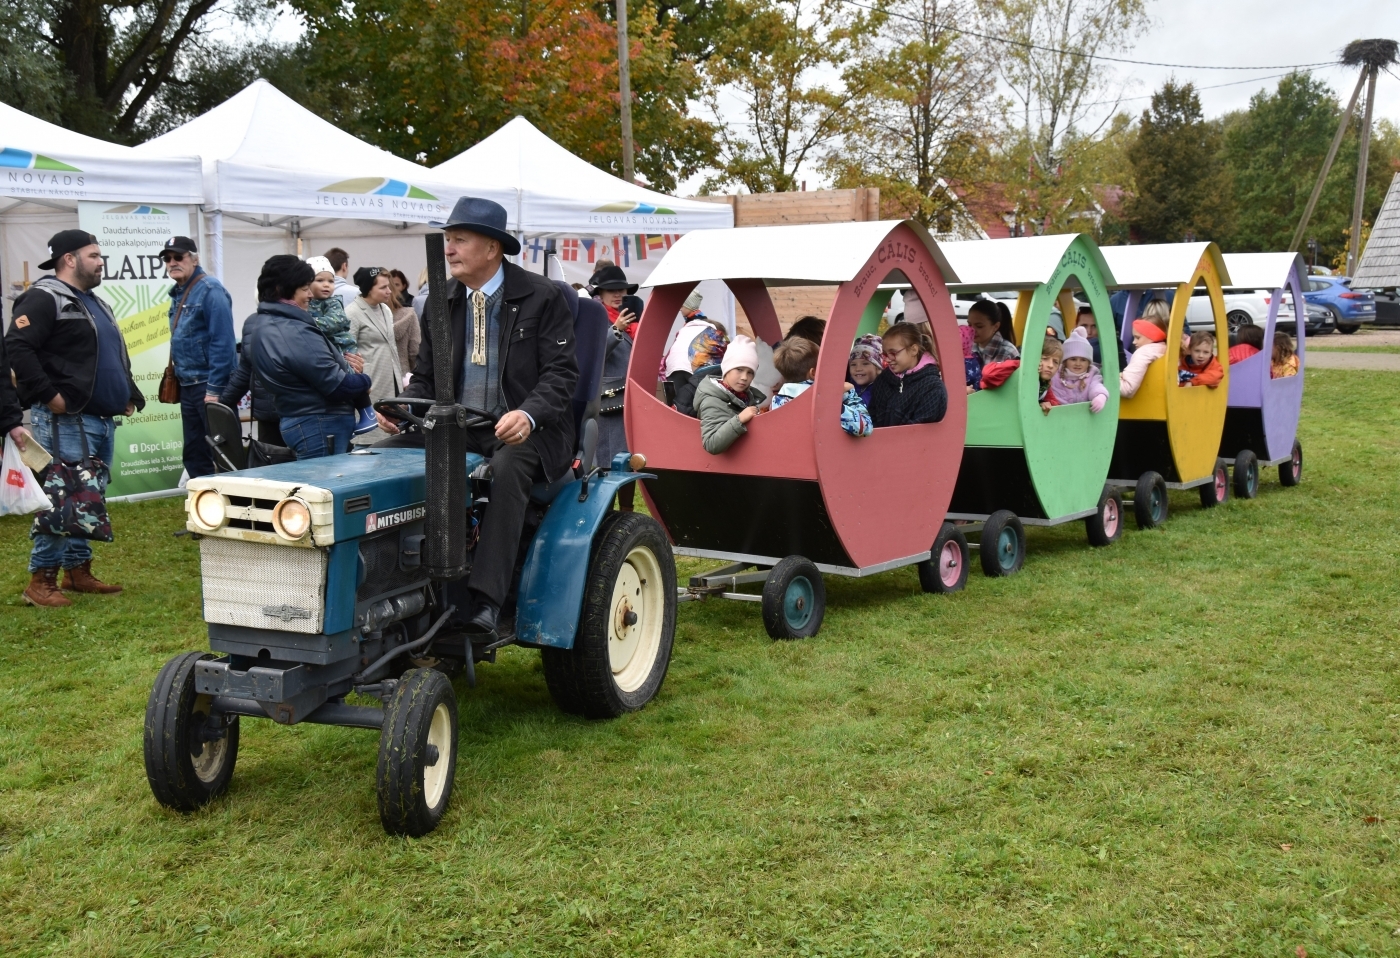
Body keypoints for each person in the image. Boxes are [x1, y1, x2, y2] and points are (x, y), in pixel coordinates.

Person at [376, 197, 578, 636]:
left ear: (492, 248)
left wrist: (527, 414)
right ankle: (393, 586)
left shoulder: (542, 297)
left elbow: (562, 376)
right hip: (458, 426)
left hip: (525, 432)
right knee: (381, 457)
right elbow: (426, 379)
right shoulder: (439, 303)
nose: (448, 250)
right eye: (446, 240)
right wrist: (402, 408)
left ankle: (486, 601)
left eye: (459, 240)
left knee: (507, 468)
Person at [6, 229, 145, 606]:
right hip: (65, 421)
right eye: (95, 255)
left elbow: (112, 352)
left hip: (98, 419)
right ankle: (41, 579)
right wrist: (51, 397)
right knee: (60, 497)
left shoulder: (95, 301)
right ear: (70, 259)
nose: (101, 262)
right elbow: (16, 347)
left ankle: (77, 571)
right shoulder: (42, 297)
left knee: (87, 495)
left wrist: (128, 393)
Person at [247, 255, 372, 460]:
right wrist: (363, 381)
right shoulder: (293, 330)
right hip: (318, 424)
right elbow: (337, 386)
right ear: (283, 289)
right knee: (326, 488)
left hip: (306, 420)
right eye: (305, 288)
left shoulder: (268, 323)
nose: (310, 295)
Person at [161, 236, 235, 481]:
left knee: (223, 451)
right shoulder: (179, 293)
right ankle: (204, 502)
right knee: (194, 451)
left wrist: (214, 390)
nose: (172, 262)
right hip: (188, 385)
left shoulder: (211, 290)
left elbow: (223, 343)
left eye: (178, 257)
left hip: (208, 385)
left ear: (194, 259)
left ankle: (236, 501)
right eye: (167, 258)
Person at [306, 256, 372, 434]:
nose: (326, 285)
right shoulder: (309, 304)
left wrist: (310, 324)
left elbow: (335, 322)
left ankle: (367, 412)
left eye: (330, 281)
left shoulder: (333, 303)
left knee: (352, 379)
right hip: (333, 348)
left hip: (343, 346)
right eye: (320, 280)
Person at [771, 335, 872, 437]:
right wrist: (849, 395)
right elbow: (865, 427)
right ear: (813, 373)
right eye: (822, 365)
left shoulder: (776, 403)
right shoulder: (824, 402)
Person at [346, 266, 404, 442]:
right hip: (372, 382)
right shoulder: (352, 312)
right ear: (367, 289)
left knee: (392, 430)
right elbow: (348, 353)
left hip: (392, 380)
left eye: (389, 286)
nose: (389, 291)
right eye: (383, 287)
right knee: (372, 435)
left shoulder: (386, 310)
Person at [868, 322, 948, 428]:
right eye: (885, 354)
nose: (887, 359)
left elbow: (919, 432)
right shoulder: (883, 380)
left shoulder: (933, 387)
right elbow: (871, 419)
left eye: (893, 353)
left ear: (914, 350)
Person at [695, 335, 764, 454]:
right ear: (727, 369)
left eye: (750, 372)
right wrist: (739, 419)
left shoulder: (746, 396)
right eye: (739, 369)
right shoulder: (712, 401)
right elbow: (711, 443)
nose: (744, 377)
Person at [1049, 329, 1109, 412]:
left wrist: (1100, 396)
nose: (1078, 363)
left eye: (1083, 360)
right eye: (1073, 359)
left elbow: (1096, 385)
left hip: (1084, 417)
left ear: (1088, 362)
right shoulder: (1056, 374)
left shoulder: (1092, 374)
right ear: (1065, 361)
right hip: (1058, 416)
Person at [1119, 311, 1169, 399]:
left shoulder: (1143, 353)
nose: (1134, 342)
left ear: (1152, 336)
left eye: (1138, 337)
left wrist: (1112, 378)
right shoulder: (1165, 350)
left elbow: (1127, 389)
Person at [967, 300, 1019, 364]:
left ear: (996, 326)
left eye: (979, 326)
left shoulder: (1007, 352)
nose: (972, 330)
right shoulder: (967, 347)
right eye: (969, 325)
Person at [847, 334, 884, 406]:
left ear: (878, 368)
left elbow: (862, 409)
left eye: (865, 364)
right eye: (853, 364)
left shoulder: (880, 390)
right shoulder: (851, 382)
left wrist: (850, 393)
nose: (858, 369)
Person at [1037, 339, 1063, 414]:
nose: (1050, 365)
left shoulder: (1045, 385)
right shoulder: (1022, 376)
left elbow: (1056, 406)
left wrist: (1045, 403)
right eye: (1045, 359)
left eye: (1055, 362)